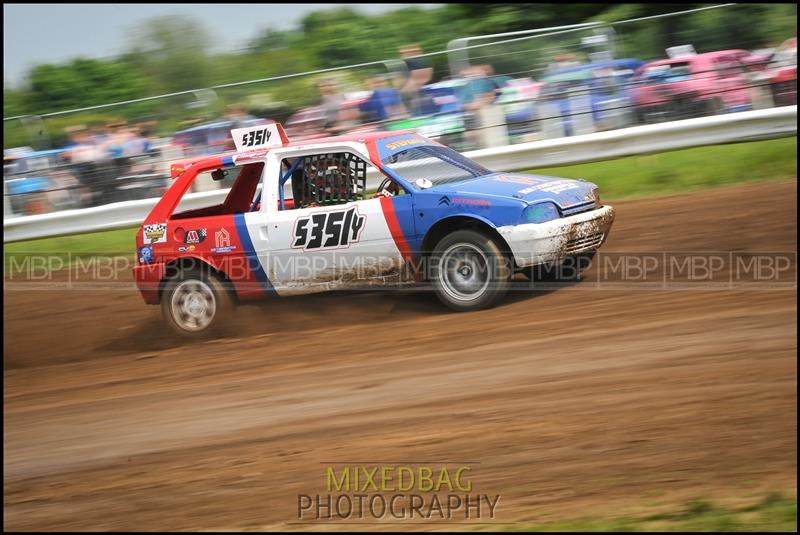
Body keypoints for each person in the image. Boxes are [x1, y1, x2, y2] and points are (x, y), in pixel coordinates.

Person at [398, 44, 434, 110]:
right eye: (403, 53)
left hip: (414, 92)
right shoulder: (405, 63)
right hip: (410, 92)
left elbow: (425, 77)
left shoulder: (421, 61)